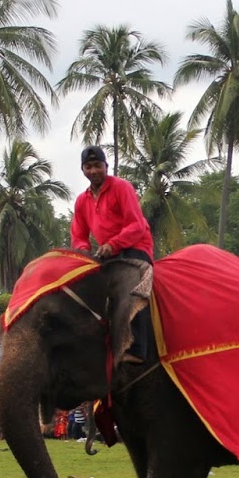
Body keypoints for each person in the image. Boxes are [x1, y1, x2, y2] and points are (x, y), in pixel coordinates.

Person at [71, 145, 156, 368]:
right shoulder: (82, 201)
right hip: (107, 253)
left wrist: (113, 244)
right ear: (82, 170)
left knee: (131, 287)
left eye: (97, 166)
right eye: (88, 167)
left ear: (105, 166)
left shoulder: (121, 188)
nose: (93, 171)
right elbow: (78, 235)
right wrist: (83, 250)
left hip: (135, 246)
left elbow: (136, 225)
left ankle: (137, 350)